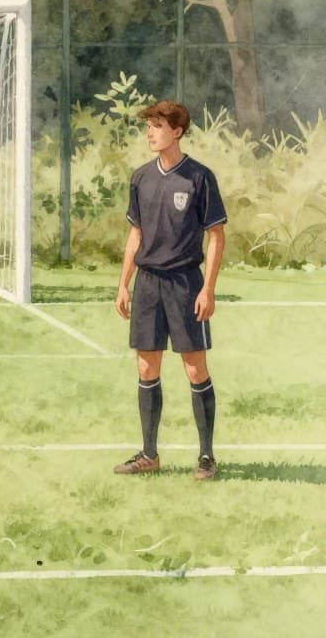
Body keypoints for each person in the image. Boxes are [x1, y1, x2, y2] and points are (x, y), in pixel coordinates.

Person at [113, 100, 227, 480]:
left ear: (177, 131)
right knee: (147, 365)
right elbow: (136, 234)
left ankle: (207, 457)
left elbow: (216, 236)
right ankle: (149, 454)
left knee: (195, 367)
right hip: (147, 284)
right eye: (149, 125)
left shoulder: (199, 177)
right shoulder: (141, 178)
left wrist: (207, 289)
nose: (150, 132)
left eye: (158, 125)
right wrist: (123, 284)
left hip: (184, 284)